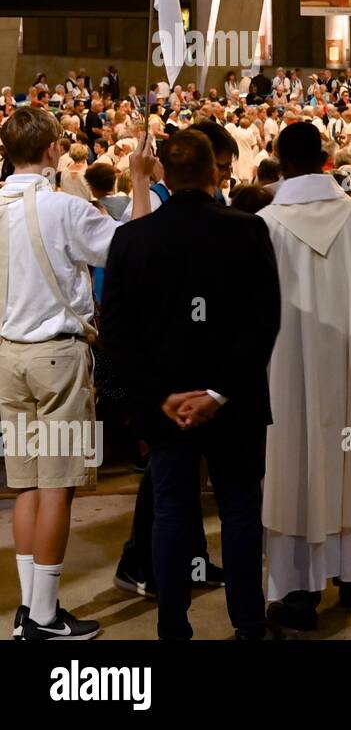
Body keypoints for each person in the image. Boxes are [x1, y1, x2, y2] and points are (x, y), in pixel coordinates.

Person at [99, 129, 280, 640]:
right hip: (234, 402)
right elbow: (264, 320)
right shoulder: (246, 230)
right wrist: (219, 392)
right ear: (213, 172)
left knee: (173, 512)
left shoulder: (132, 238)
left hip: (165, 404)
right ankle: (249, 627)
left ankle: (172, 629)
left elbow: (115, 332)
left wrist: (162, 395)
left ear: (165, 175)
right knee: (241, 511)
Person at [1, 108, 147, 640]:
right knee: (57, 485)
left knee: (25, 486)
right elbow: (132, 249)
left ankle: (30, 610)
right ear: (51, 150)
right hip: (56, 357)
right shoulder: (64, 207)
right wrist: (138, 180)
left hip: (7, 357)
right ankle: (42, 618)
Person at [258, 123, 351, 630]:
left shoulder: (263, 226)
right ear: (324, 157)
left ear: (278, 159)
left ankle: (298, 594)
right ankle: (350, 571)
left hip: (286, 381)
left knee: (294, 467)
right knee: (349, 458)